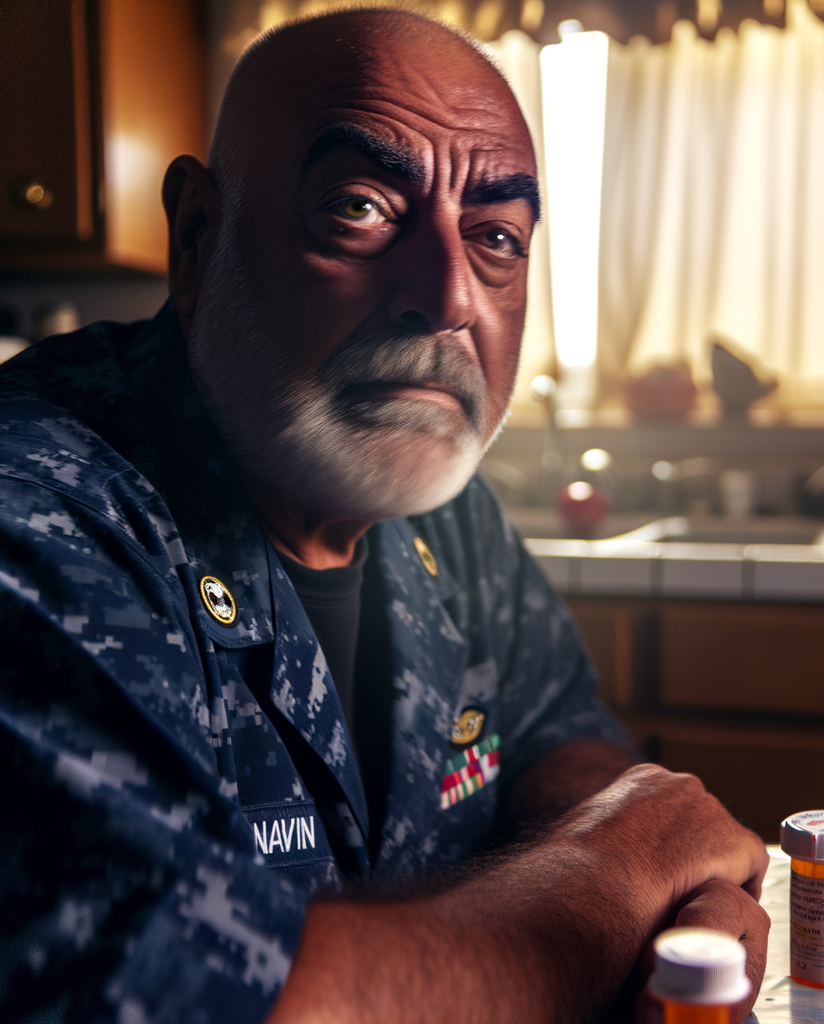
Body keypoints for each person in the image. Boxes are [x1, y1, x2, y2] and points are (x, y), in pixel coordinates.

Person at [0, 9, 768, 1023]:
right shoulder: (41, 514)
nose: (448, 293)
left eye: (496, 237)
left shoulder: (448, 517)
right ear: (197, 239)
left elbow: (555, 733)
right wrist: (620, 870)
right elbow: (170, 991)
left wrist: (640, 866)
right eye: (359, 207)